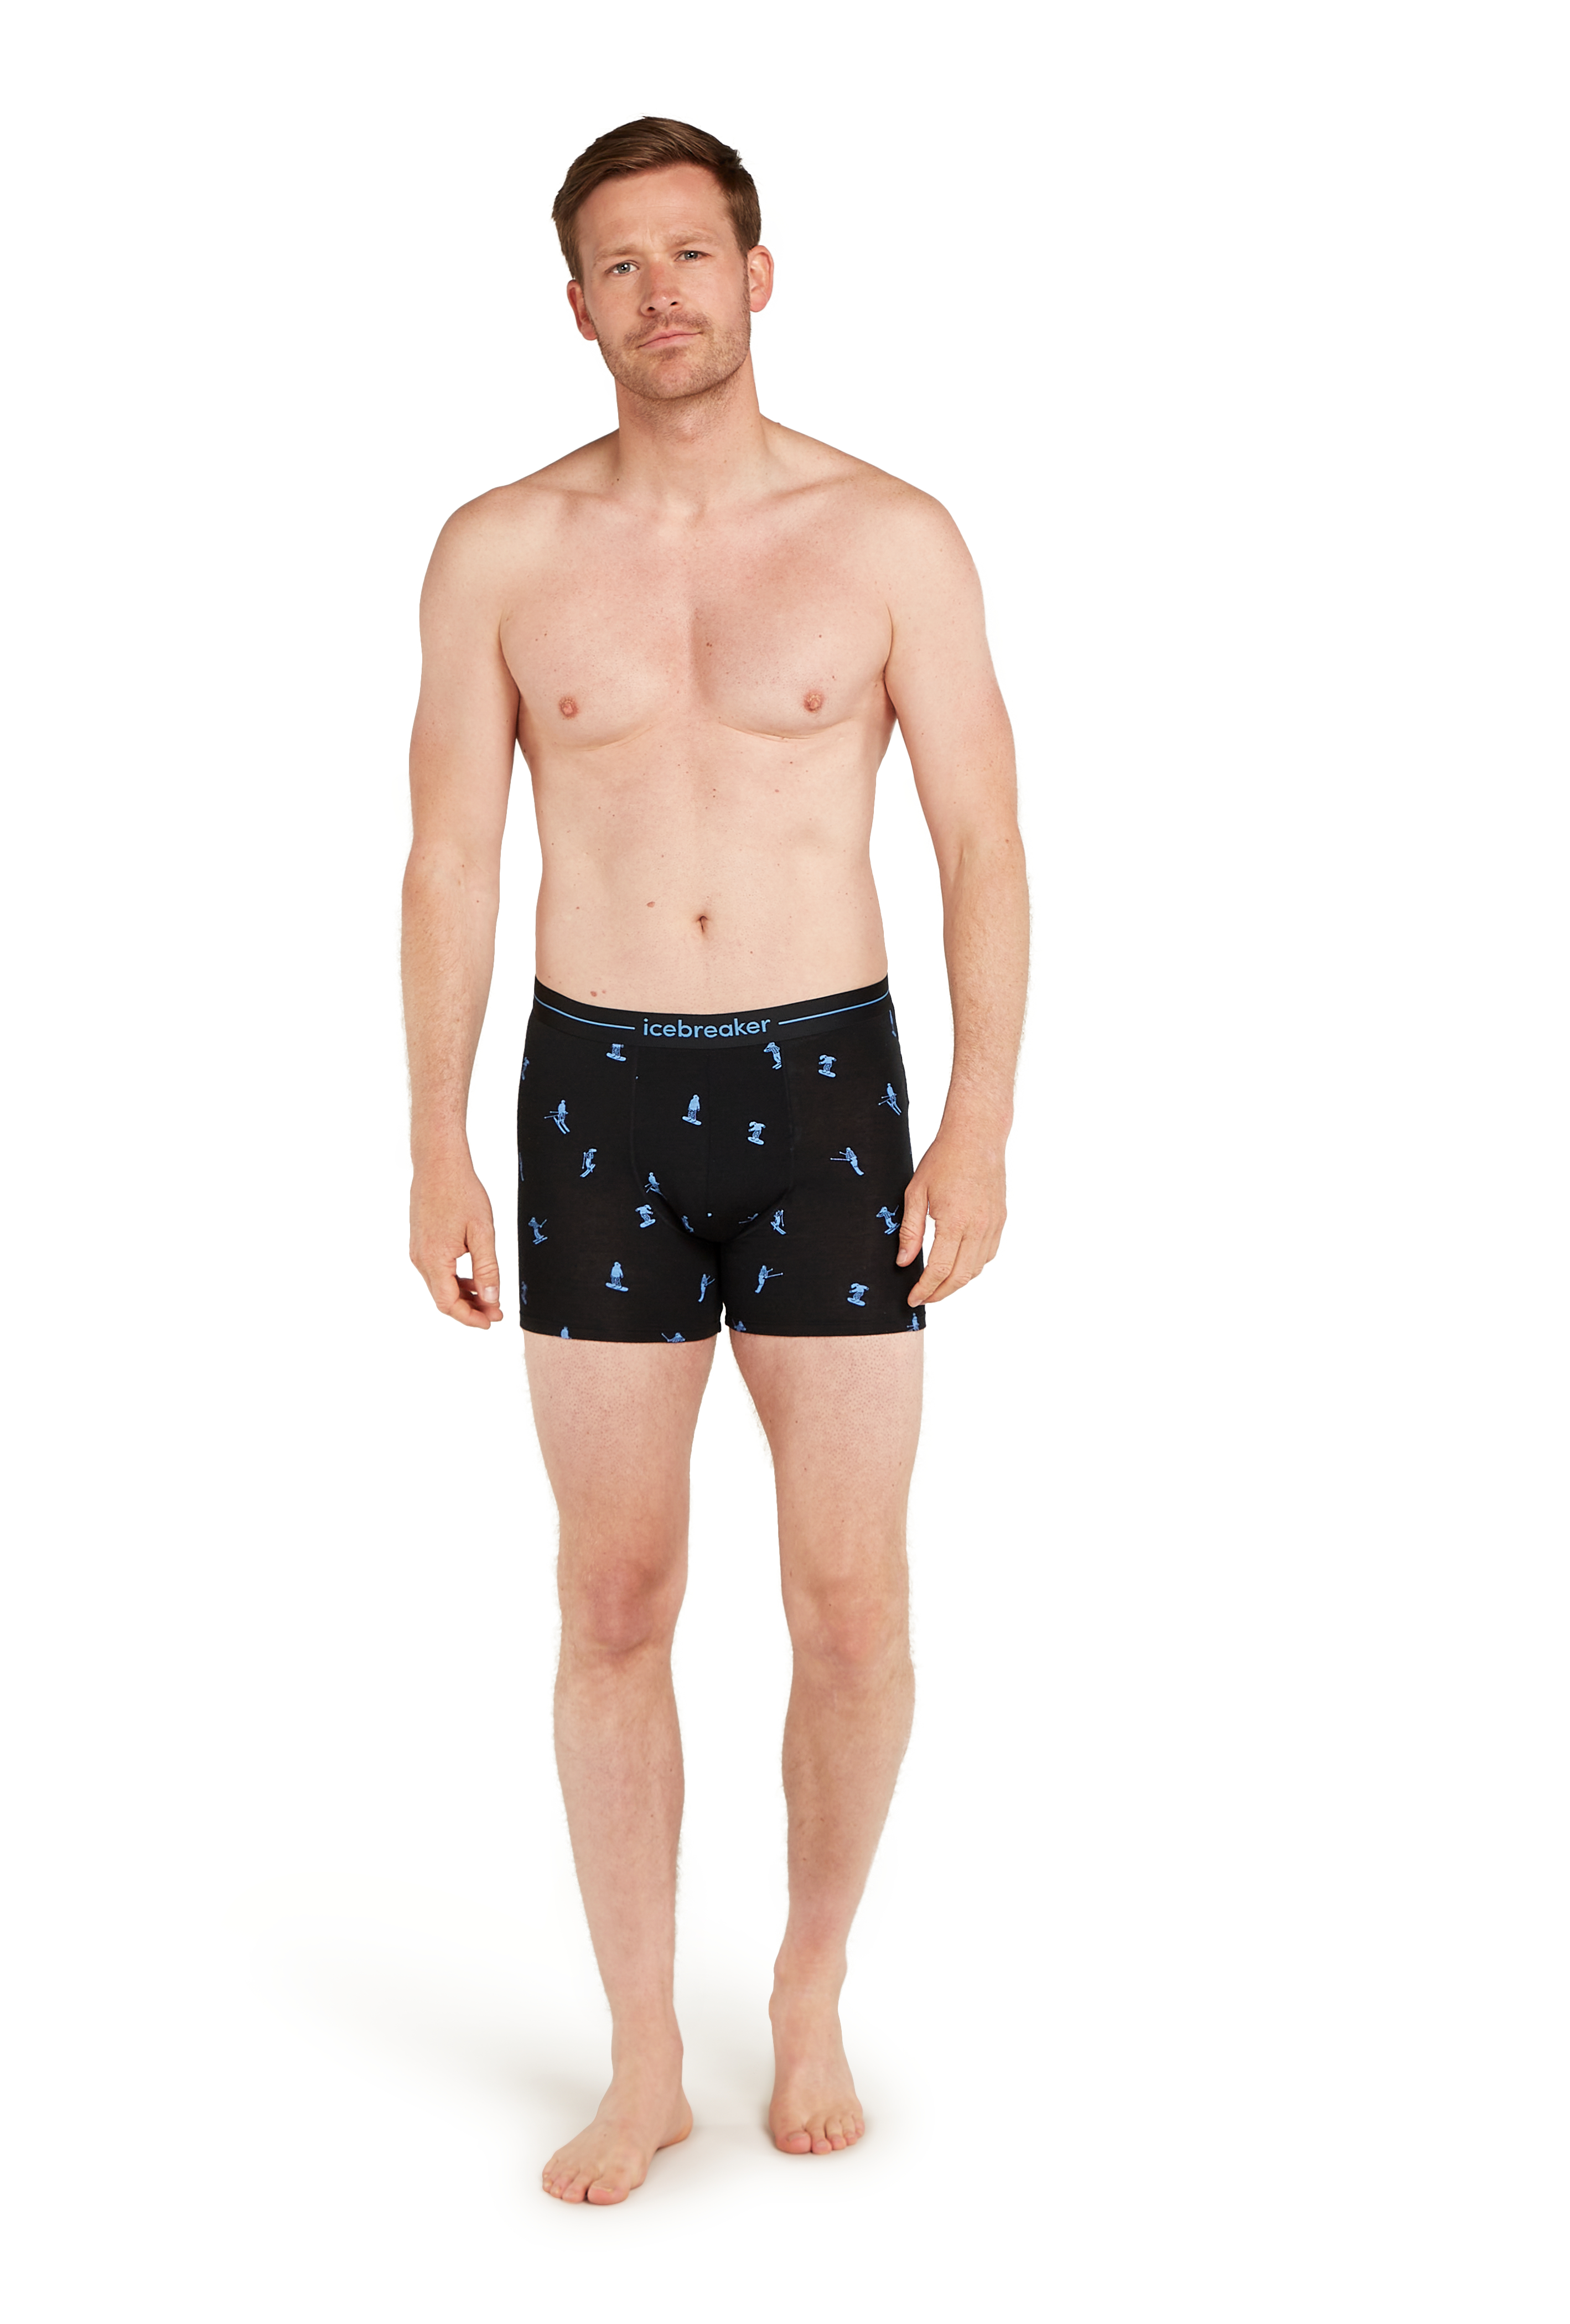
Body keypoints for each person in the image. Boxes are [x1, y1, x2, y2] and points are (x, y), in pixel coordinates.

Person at [400, 117, 1028, 2204]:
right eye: (618, 262)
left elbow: (982, 840)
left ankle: (811, 1981)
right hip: (593, 1101)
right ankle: (645, 2053)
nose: (658, 290)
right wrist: (433, 1138)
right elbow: (448, 857)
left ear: (760, 275)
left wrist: (982, 1120)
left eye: (691, 252)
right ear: (574, 304)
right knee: (613, 1594)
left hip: (831, 1094)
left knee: (850, 1602)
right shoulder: (498, 550)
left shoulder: (890, 537)